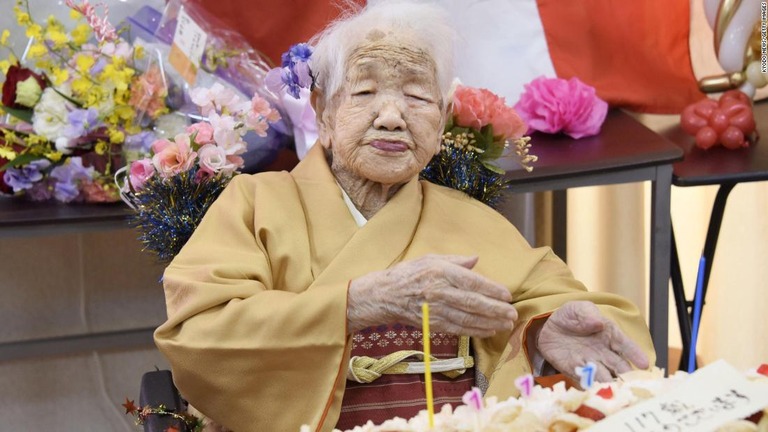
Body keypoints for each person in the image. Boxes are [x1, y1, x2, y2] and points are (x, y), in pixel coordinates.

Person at [154, 2, 655, 431]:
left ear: (440, 123)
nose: (393, 115)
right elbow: (197, 338)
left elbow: (582, 315)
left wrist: (542, 332)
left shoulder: (470, 221)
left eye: (417, 96)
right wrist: (358, 303)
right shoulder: (253, 204)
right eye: (366, 92)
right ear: (324, 113)